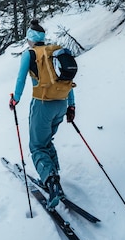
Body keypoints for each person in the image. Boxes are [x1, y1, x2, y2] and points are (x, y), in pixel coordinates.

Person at [10, 20, 76, 208]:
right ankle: (53, 175)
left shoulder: (29, 54)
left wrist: (15, 99)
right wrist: (71, 105)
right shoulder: (55, 53)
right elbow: (67, 81)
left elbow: (21, 79)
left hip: (43, 104)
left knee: (37, 146)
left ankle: (51, 180)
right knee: (46, 141)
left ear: (31, 38)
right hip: (61, 104)